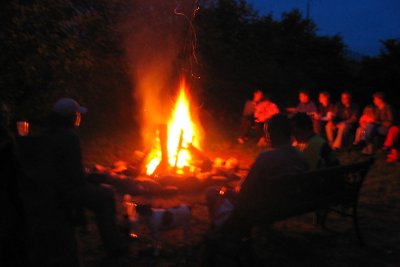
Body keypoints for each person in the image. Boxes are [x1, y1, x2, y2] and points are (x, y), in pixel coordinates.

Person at [43, 98, 126, 257]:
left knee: (103, 192)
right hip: (67, 189)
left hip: (52, 185)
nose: (79, 118)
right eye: (77, 115)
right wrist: (95, 178)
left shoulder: (47, 133)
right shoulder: (69, 137)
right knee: (106, 196)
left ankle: (112, 240)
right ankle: (113, 245)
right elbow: (77, 178)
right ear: (70, 117)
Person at [207, 114, 309, 236]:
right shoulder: (301, 155)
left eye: (268, 132)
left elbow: (244, 189)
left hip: (259, 208)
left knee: (213, 191)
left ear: (276, 133)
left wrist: (228, 190)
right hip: (288, 205)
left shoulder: (266, 157)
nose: (266, 137)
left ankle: (220, 232)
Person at [0, 100, 29, 267]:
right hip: (8, 190)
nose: (6, 117)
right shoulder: (7, 139)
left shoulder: (8, 136)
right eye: (4, 115)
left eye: (6, 114)